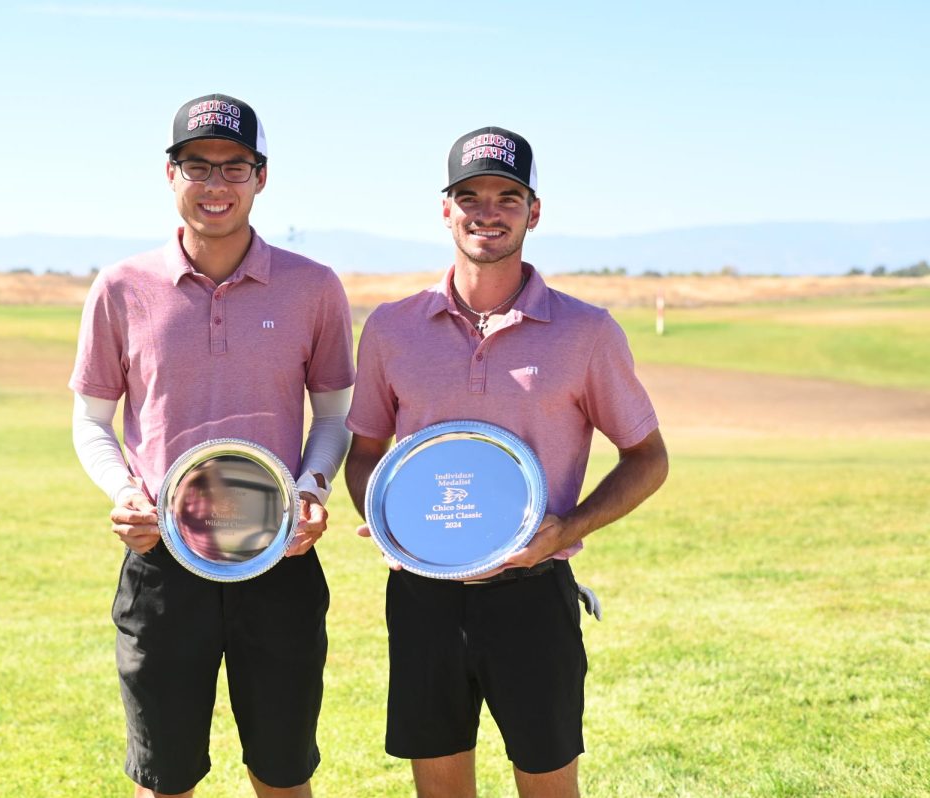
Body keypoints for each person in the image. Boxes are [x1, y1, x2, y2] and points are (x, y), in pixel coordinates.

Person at [344, 126, 668, 798]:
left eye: (506, 196)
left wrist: (569, 526)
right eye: (469, 195)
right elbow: (366, 451)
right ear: (445, 209)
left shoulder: (587, 332)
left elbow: (648, 457)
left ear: (534, 211)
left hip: (532, 598)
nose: (486, 211)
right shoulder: (391, 327)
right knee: (438, 789)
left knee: (548, 788)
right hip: (421, 598)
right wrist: (387, 517)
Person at [69, 93, 355, 798]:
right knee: (164, 782)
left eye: (235, 166)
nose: (216, 184)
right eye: (198, 166)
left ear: (262, 176)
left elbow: (333, 416)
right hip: (163, 560)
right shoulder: (121, 288)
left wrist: (314, 489)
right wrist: (125, 493)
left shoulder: (313, 287)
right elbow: (91, 421)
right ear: (170, 175)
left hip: (278, 557)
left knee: (282, 775)